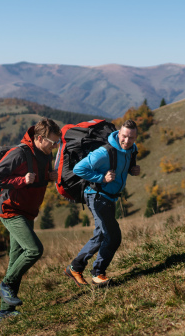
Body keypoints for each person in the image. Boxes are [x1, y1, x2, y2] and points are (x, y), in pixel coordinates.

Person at [0, 118, 61, 320]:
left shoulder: (46, 153)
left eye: (57, 143)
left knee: (15, 259)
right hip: (11, 210)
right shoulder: (19, 153)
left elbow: (38, 178)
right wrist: (21, 180)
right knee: (34, 250)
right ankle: (5, 285)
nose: (55, 146)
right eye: (52, 142)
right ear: (39, 138)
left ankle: (6, 312)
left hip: (28, 211)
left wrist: (49, 176)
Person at [64, 119, 140, 286]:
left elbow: (121, 167)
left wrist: (133, 170)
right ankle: (98, 273)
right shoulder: (104, 152)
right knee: (113, 236)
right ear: (119, 134)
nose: (127, 141)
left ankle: (75, 267)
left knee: (101, 234)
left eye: (131, 138)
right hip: (97, 196)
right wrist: (101, 178)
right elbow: (79, 169)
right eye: (125, 136)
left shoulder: (131, 150)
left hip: (109, 197)